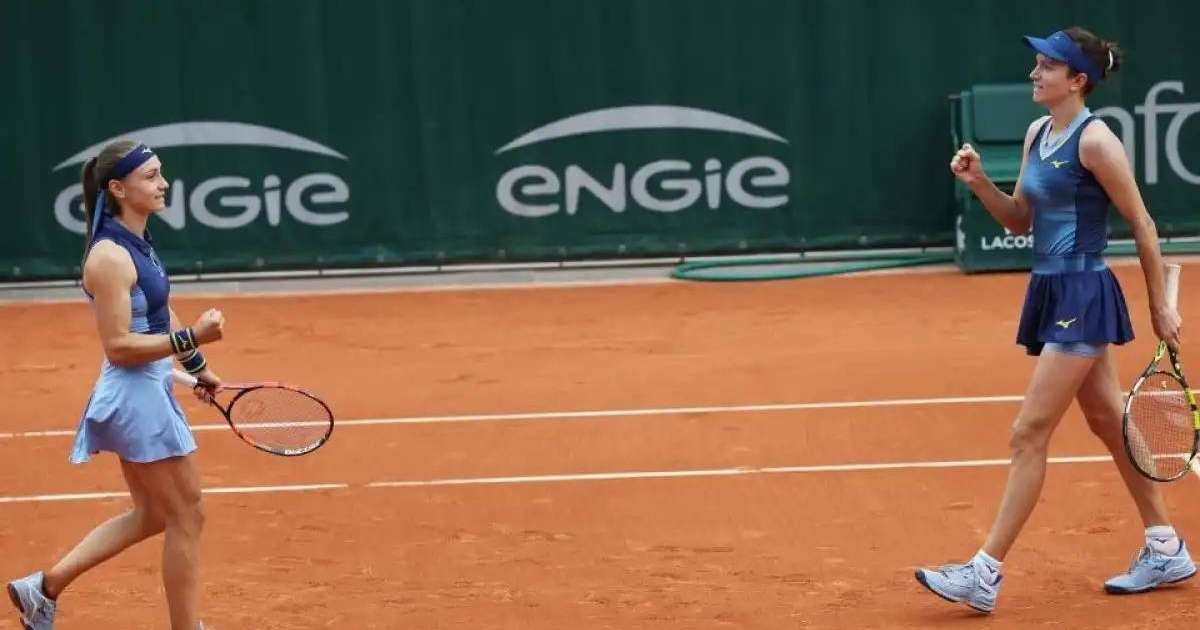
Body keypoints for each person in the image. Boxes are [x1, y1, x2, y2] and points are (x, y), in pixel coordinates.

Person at [915, 27, 1194, 613]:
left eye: (1047, 67)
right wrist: (978, 183)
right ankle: (1165, 545)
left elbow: (1142, 223)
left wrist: (1158, 305)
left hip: (1084, 295)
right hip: (1049, 288)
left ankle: (983, 572)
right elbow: (1019, 219)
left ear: (1077, 80)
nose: (1035, 75)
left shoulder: (1097, 143)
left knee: (1028, 431)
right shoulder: (1037, 133)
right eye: (1036, 65)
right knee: (1108, 422)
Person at [7, 140, 225, 630]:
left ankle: (43, 589)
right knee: (187, 516)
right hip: (135, 396)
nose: (163, 183)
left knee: (152, 514)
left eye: (160, 173)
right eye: (151, 176)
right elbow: (119, 346)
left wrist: (196, 362)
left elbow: (157, 308)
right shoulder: (108, 257)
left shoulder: (137, 241)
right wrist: (193, 335)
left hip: (149, 390)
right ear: (118, 188)